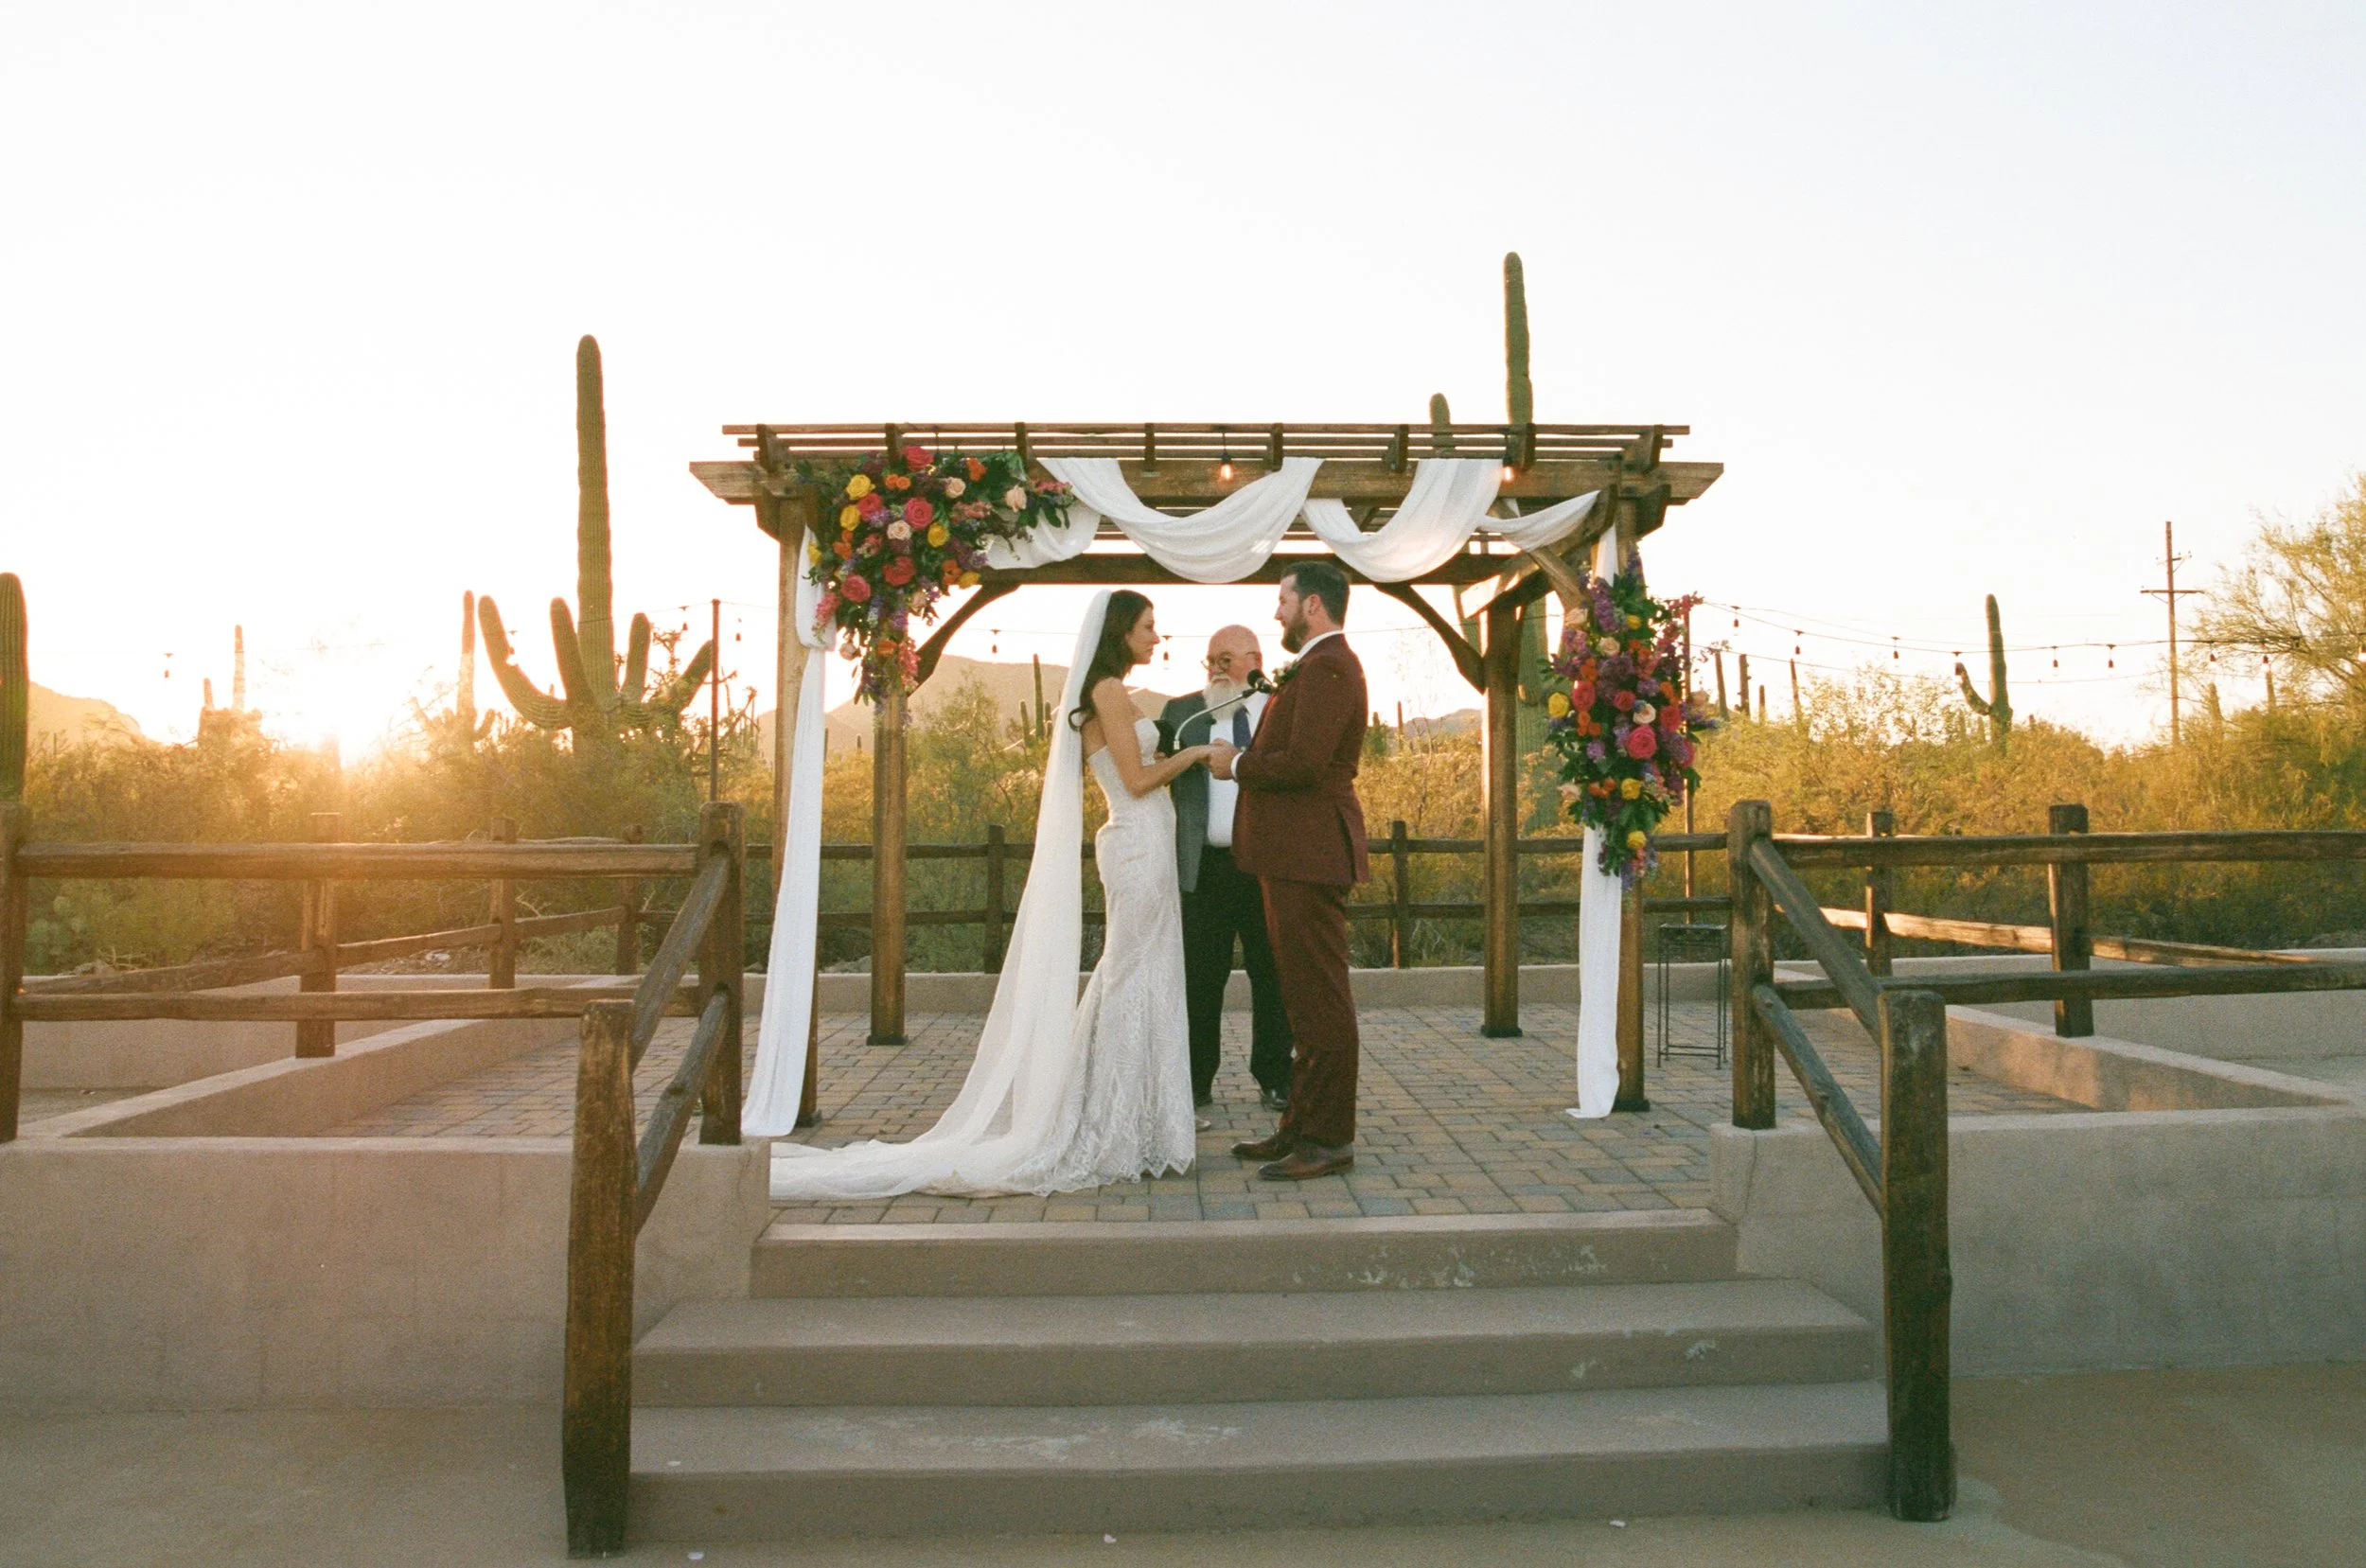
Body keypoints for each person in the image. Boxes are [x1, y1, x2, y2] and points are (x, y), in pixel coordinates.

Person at [768, 590, 1234, 1199]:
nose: (1156, 637)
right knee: (1130, 976)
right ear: (1120, 632)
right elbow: (1140, 779)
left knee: (1143, 975)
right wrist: (1197, 754)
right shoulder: (1108, 692)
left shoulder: (1107, 692)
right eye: (1148, 627)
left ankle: (1140, 1118)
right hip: (1139, 843)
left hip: (1142, 844)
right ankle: (1110, 1120)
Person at [1214, 560, 1369, 1181]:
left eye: (1283, 600)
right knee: (1303, 1002)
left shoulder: (1330, 666)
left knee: (1322, 1002)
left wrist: (1237, 765)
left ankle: (1329, 1139)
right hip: (1292, 857)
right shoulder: (1314, 665)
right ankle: (1298, 1127)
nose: (1275, 612)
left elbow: (1304, 763)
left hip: (1310, 856)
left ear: (1312, 605)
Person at [1157, 627, 1294, 1113]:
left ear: (1256, 660)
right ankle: (1195, 1082)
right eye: (1211, 659)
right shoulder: (1181, 712)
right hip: (1204, 870)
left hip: (1267, 866)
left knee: (1273, 975)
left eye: (1228, 658)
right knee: (1200, 978)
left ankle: (1276, 1077)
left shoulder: (1281, 707)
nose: (1217, 667)